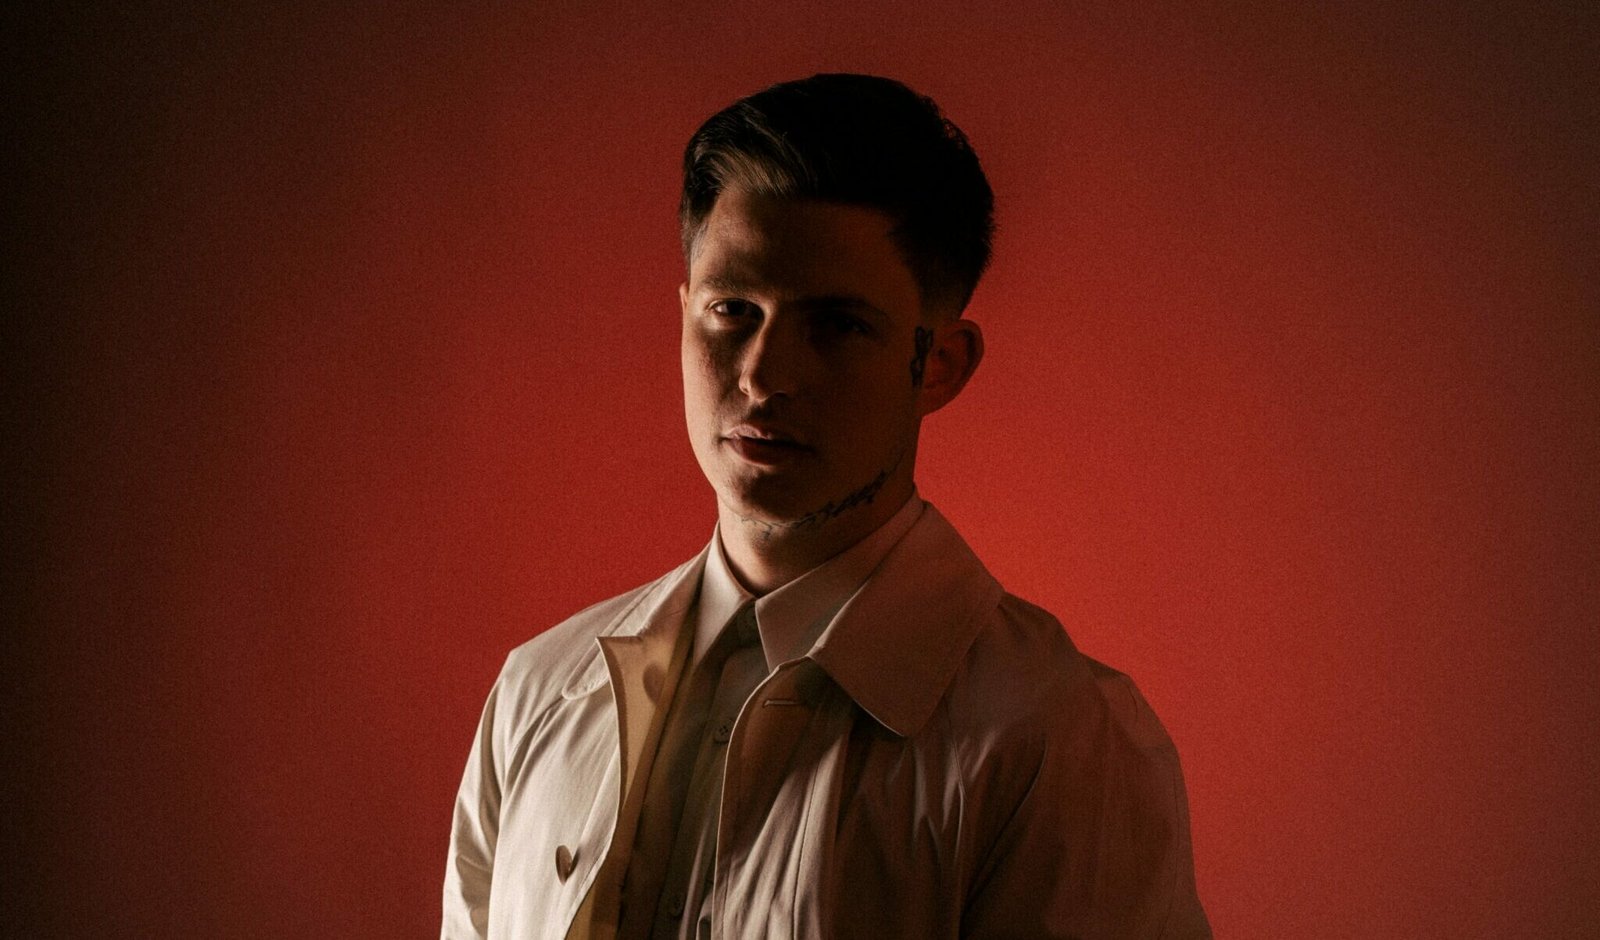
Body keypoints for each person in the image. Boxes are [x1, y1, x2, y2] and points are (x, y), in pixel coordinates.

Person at [443, 73, 1210, 939]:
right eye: (733, 310)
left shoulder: (1058, 740)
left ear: (940, 365)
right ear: (684, 316)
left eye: (838, 325)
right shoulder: (538, 690)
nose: (765, 375)